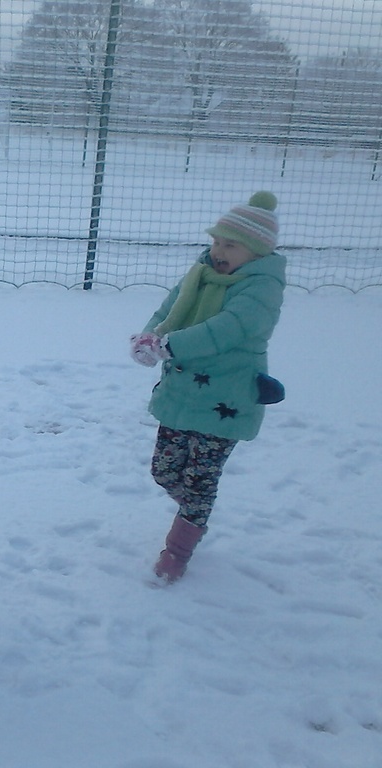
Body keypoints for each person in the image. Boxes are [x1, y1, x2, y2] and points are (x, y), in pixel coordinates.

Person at [129, 191, 286, 583]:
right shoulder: (200, 273)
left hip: (226, 402)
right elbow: (169, 309)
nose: (218, 250)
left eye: (230, 245)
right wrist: (149, 337)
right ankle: (195, 514)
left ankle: (178, 550)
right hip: (182, 394)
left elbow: (228, 329)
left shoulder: (262, 288)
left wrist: (170, 346)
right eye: (217, 241)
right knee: (164, 471)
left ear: (256, 251)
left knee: (200, 481)